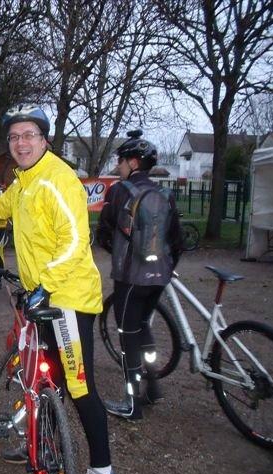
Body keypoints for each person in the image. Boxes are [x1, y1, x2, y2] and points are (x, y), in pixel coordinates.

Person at [0, 104, 116, 474]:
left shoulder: (58, 179)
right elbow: (0, 205)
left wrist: (46, 285)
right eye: (15, 136)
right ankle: (44, 440)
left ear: (44, 140)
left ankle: (102, 469)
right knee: (46, 378)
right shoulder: (23, 182)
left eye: (29, 135)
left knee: (79, 386)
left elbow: (75, 241)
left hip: (68, 299)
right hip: (42, 296)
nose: (21, 143)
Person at [96, 130, 184, 421]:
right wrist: (163, 266)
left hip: (130, 278)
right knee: (143, 327)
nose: (118, 166)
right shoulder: (165, 194)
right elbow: (178, 240)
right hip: (160, 277)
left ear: (133, 163)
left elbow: (103, 232)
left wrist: (121, 255)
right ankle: (153, 387)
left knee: (128, 336)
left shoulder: (119, 191)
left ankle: (132, 403)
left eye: (121, 161)